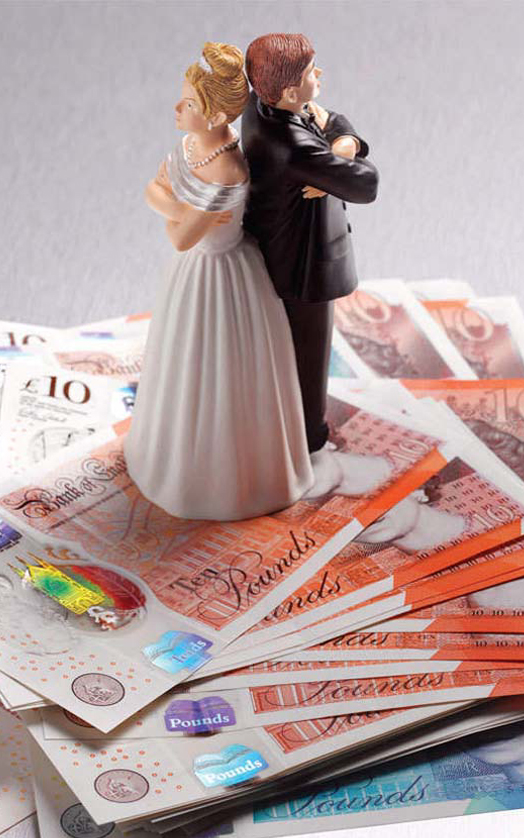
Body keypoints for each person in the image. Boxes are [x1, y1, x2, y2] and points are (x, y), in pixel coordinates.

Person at [124, 42, 313, 521]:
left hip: (224, 279)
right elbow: (151, 193)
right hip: (191, 275)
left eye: (188, 102)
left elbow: (181, 237)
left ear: (212, 115)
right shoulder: (192, 145)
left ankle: (227, 483)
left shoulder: (228, 170)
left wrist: (174, 208)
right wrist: (181, 208)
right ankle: (174, 463)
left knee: (224, 374)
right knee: (183, 364)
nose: (176, 107)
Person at [241, 33, 379, 453]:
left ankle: (285, 426)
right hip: (304, 265)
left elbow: (330, 117)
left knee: (287, 350)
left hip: (278, 250)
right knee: (308, 354)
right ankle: (306, 436)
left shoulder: (260, 106)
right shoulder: (295, 148)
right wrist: (337, 158)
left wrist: (342, 144)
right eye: (309, 72)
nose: (320, 74)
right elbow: (366, 183)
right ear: (288, 92)